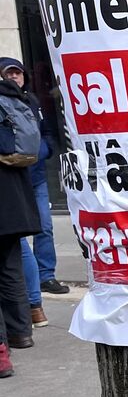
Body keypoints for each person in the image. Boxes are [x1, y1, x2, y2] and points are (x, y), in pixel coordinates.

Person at [5, 58, 68, 329]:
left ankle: (44, 280)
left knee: (43, 229)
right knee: (20, 241)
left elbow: (46, 132)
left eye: (17, 73)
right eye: (9, 73)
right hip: (17, 180)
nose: (14, 77)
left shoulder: (32, 100)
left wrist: (43, 153)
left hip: (34, 178)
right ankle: (34, 305)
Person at [0, 65, 41, 376]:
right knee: (10, 268)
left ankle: (2, 351)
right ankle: (21, 332)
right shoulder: (14, 96)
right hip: (14, 200)